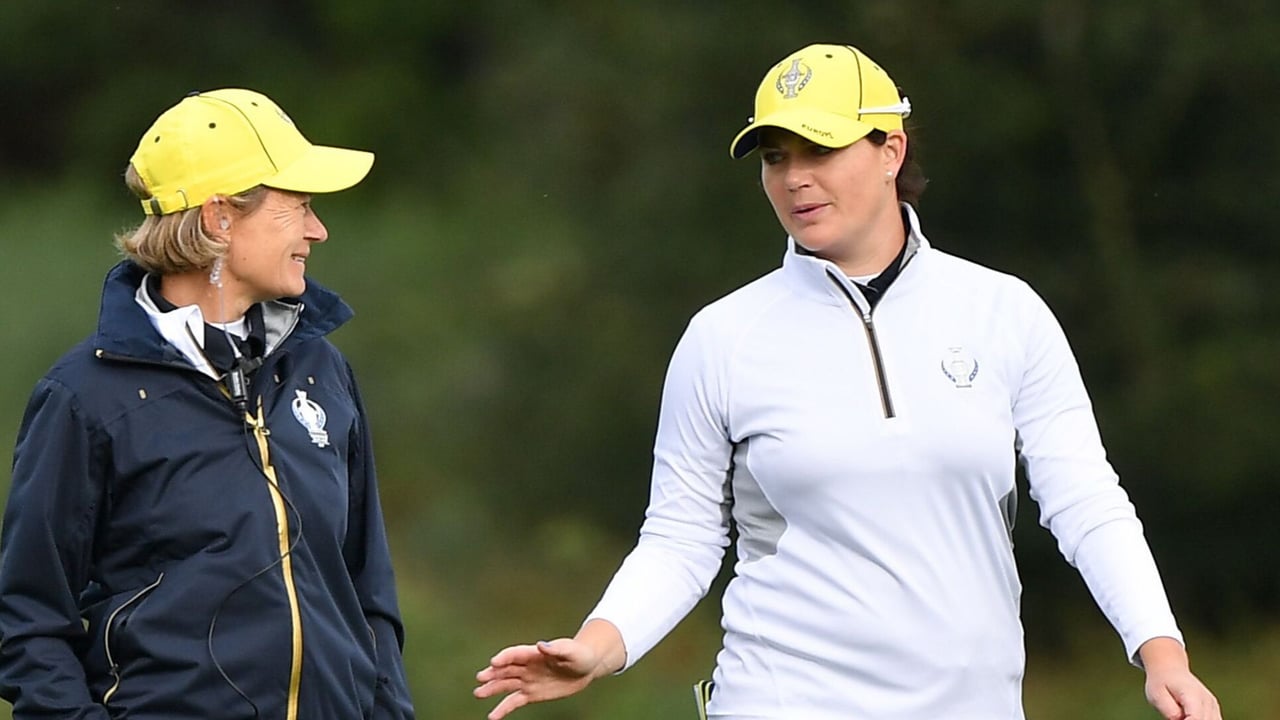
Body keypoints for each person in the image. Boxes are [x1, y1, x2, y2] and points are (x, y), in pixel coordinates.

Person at [474, 44, 1222, 720]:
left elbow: (1085, 500)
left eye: (821, 149)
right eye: (774, 156)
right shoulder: (723, 337)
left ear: (890, 149)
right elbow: (683, 537)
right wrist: (601, 645)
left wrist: (1161, 651)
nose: (795, 178)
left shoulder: (1004, 312)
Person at [0, 89, 415, 719]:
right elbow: (26, 623)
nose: (317, 229)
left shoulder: (321, 369)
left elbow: (369, 592)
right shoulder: (83, 396)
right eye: (297, 207)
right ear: (220, 219)